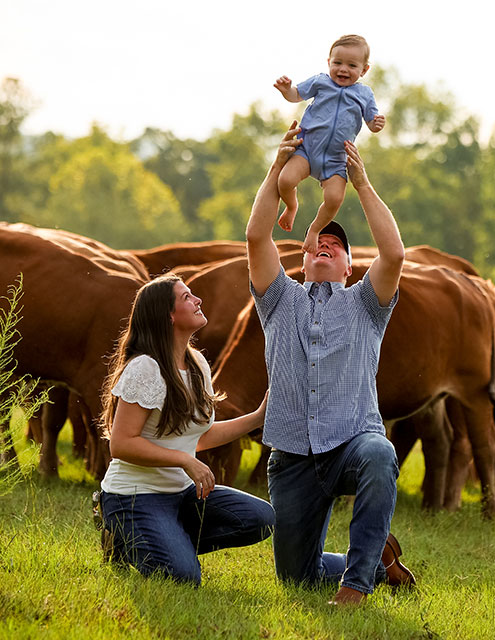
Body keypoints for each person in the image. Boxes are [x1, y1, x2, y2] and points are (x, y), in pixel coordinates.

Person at [245, 124, 415, 606]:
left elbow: (396, 253)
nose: (325, 244)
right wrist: (278, 169)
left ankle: (356, 588)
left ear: (348, 268)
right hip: (293, 457)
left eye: (336, 246)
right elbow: (256, 234)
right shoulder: (278, 299)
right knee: (296, 580)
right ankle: (376, 562)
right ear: (300, 258)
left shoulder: (367, 303)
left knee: (380, 454)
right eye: (317, 240)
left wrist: (361, 183)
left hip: (351, 443)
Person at [98, 273, 275, 585]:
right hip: (136, 497)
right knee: (183, 577)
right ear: (169, 315)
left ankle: (160, 541)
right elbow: (122, 444)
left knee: (260, 520)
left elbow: (199, 436)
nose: (198, 301)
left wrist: (259, 416)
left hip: (181, 495)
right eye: (187, 297)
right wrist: (185, 460)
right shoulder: (145, 369)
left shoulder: (197, 364)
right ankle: (125, 536)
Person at [274, 34, 385, 254]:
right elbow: (296, 95)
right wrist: (287, 90)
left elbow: (371, 122)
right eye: (337, 63)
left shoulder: (364, 94)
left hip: (336, 159)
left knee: (335, 199)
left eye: (352, 65)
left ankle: (315, 229)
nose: (343, 69)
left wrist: (376, 124)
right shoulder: (321, 82)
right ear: (329, 62)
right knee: (285, 180)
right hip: (307, 149)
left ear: (364, 70)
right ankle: (292, 205)